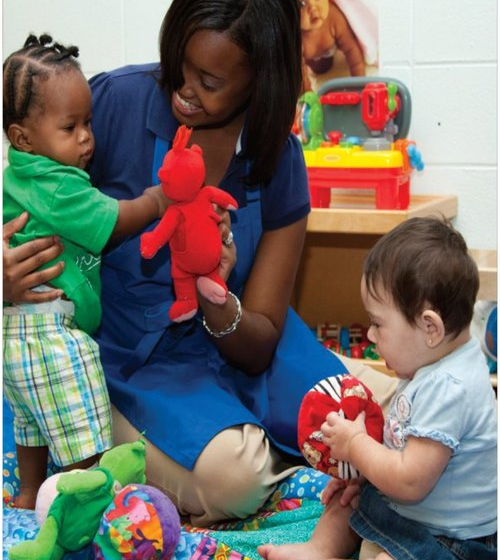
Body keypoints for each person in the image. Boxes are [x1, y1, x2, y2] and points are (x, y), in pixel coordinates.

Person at [2, 0, 397, 526]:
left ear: (260, 79)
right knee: (238, 479)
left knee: (378, 417)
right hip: (132, 366)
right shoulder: (113, 103)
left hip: (239, 344)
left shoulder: (278, 159)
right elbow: (27, 186)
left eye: (209, 81)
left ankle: (277, 424)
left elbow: (258, 344)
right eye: (180, 65)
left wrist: (215, 292)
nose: (184, 89)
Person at [258, 217, 497, 560]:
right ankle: (319, 550)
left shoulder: (450, 388)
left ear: (429, 327)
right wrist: (364, 471)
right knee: (349, 496)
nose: (370, 335)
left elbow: (409, 482)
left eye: (378, 324)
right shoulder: (432, 358)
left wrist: (356, 446)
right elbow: (402, 443)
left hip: (451, 542)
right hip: (412, 514)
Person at [2, 34, 167, 509]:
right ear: (23, 138)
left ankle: (30, 490)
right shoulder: (59, 188)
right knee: (83, 428)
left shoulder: (20, 176)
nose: (87, 138)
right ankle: (88, 501)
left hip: (16, 331)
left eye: (88, 122)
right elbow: (111, 222)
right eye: (70, 126)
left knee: (30, 418)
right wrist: (156, 199)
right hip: (52, 331)